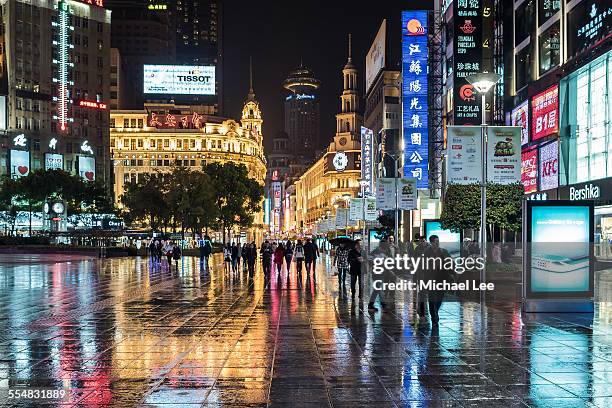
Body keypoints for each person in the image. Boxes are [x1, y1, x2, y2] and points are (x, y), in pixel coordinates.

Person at [422, 235, 454, 324]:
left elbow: (450, 262)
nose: (437, 243)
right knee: (432, 298)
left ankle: (435, 311)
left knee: (440, 297)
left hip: (441, 278)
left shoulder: (443, 251)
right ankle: (434, 317)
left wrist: (452, 272)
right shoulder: (426, 252)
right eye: (436, 241)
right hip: (430, 279)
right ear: (431, 242)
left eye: (438, 241)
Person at [368, 239, 391, 311]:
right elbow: (370, 260)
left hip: (382, 273)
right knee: (378, 289)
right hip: (377, 273)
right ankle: (382, 304)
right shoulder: (376, 251)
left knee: (377, 289)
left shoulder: (386, 252)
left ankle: (373, 305)